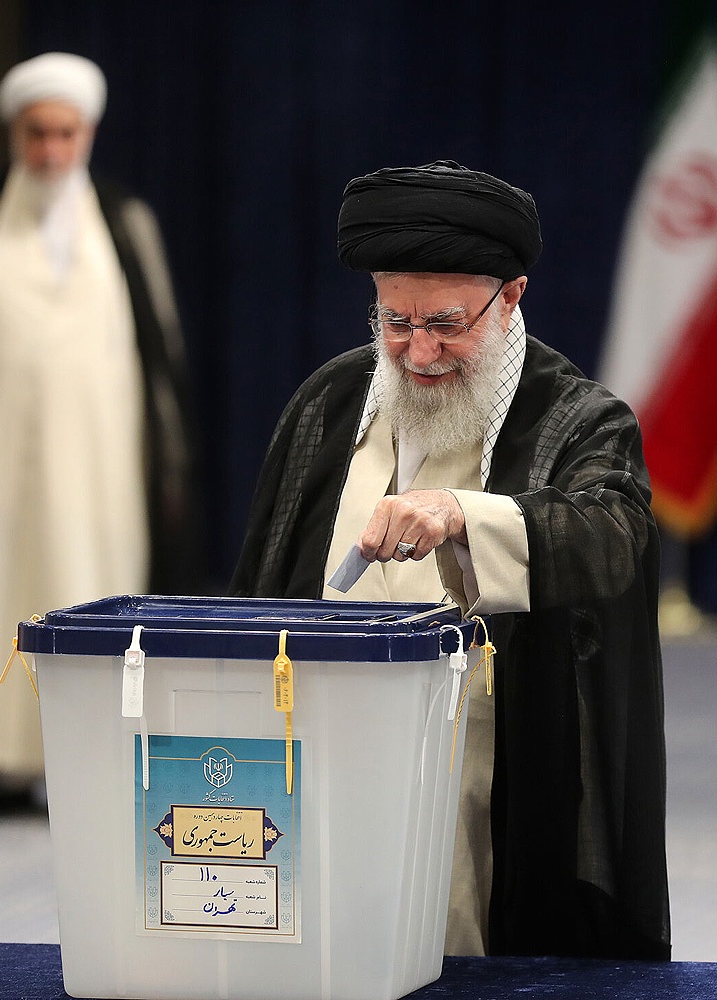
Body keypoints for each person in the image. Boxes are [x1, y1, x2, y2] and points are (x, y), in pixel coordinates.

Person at [230, 161, 670, 960]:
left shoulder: (579, 417)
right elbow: (264, 576)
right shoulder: (329, 402)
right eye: (395, 322)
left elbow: (613, 533)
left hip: (485, 768)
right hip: (321, 748)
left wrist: (464, 514)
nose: (420, 350)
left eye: (446, 323)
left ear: (511, 298)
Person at [0, 52, 200, 816]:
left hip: (103, 475)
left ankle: (104, 758)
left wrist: (169, 469)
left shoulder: (126, 224)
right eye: (38, 133)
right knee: (3, 592)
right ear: (15, 133)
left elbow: (163, 361)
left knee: (99, 586)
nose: (51, 150)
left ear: (87, 133)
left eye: (66, 134)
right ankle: (2, 764)